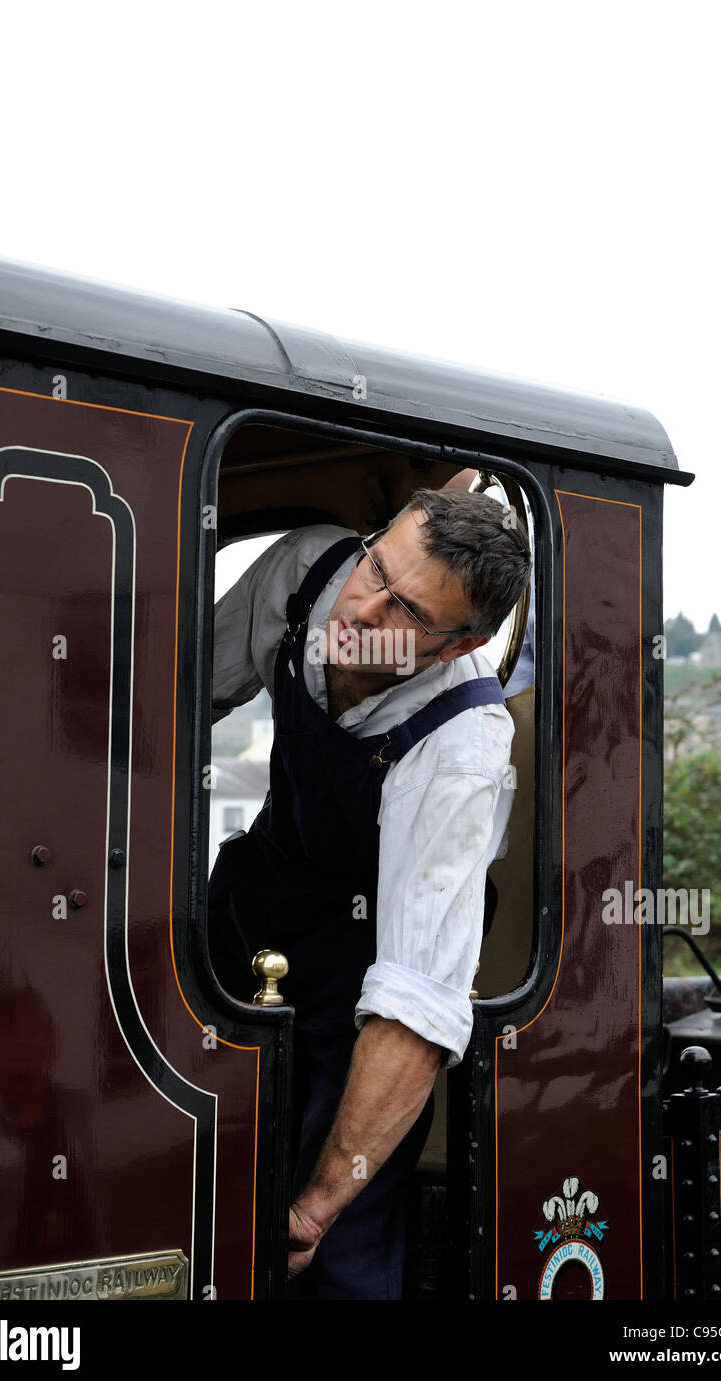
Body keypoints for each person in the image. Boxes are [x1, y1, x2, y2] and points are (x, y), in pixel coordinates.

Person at [208, 486, 531, 1299]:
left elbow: (415, 1002)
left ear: (468, 642)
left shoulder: (463, 743)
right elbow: (162, 703)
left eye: (407, 614)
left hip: (365, 965)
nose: (360, 608)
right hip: (252, 902)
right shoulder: (305, 568)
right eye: (374, 565)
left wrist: (316, 1210)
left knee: (342, 1261)